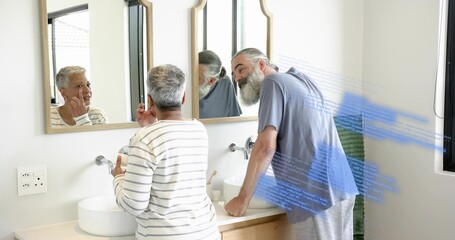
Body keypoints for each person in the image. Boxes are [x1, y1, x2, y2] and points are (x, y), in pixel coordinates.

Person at [224, 48, 359, 240]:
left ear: (262, 64)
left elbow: (265, 147)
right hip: (341, 188)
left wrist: (242, 199)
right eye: (234, 74)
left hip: (316, 194)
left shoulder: (272, 82)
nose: (237, 78)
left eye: (241, 69)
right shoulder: (300, 79)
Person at [111, 64, 221, 240]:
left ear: (150, 101)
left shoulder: (145, 138)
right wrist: (151, 128)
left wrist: (118, 178)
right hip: (206, 232)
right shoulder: (199, 130)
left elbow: (134, 204)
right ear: (183, 97)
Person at [198, 50, 242, 118]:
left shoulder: (225, 83)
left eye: (198, 78)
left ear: (211, 81)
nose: (192, 79)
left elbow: (234, 118)